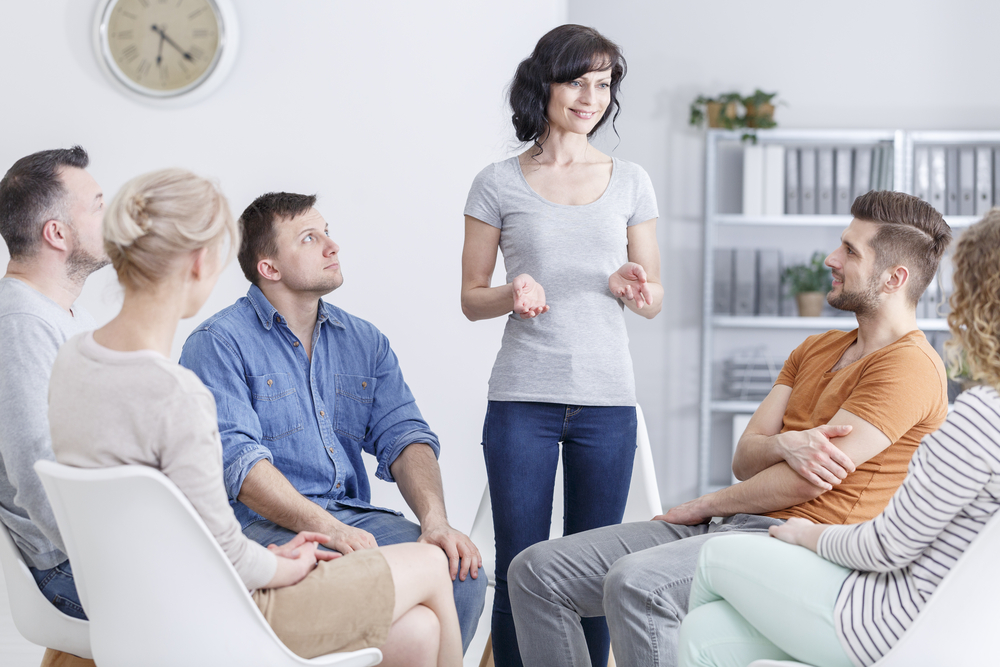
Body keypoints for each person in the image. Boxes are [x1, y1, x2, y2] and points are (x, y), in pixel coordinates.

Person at [508, 190, 953, 667]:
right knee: (535, 571)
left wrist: (704, 504)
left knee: (637, 583)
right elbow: (745, 457)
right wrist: (783, 443)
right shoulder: (816, 347)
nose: (831, 258)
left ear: (894, 278)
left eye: (850, 250)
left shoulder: (909, 367)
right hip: (734, 525)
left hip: (802, 543)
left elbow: (807, 478)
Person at [47, 168, 464, 666]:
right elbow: (223, 545)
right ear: (200, 262)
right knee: (434, 564)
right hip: (212, 613)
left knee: (417, 632)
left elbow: (192, 531)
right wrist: (282, 562)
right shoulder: (178, 392)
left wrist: (278, 557)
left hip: (136, 609)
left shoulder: (72, 359)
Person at [678, 207, 1000, 667]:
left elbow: (887, 546)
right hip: (964, 635)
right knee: (703, 635)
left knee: (715, 559)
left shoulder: (981, 417)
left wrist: (809, 535)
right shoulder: (979, 411)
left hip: (890, 624)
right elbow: (747, 458)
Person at [178, 191, 487, 651]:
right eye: (309, 237)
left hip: (351, 518)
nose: (331, 246)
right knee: (404, 614)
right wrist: (331, 529)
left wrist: (435, 520)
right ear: (269, 268)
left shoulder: (365, 341)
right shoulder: (218, 343)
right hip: (261, 529)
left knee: (460, 570)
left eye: (328, 233)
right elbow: (241, 468)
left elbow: (406, 438)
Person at [461, 24, 662, 667]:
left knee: (596, 574)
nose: (591, 97)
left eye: (603, 85)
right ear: (543, 82)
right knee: (520, 563)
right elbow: (471, 297)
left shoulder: (631, 181)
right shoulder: (497, 182)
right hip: (523, 399)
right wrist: (512, 290)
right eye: (577, 80)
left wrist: (632, 287)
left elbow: (654, 298)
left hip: (607, 402)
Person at [0, 146, 106, 634]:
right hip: (72, 566)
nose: (113, 219)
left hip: (104, 544)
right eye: (98, 206)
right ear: (57, 232)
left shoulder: (65, 315)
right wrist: (115, 558)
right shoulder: (20, 322)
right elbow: (36, 469)